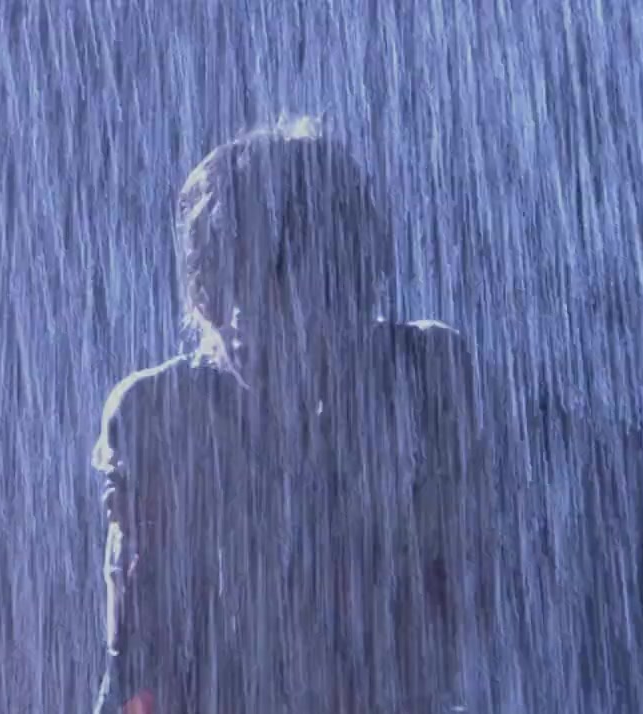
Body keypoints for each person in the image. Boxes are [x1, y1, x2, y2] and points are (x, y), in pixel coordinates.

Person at [92, 116, 492, 713]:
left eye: (329, 284)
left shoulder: (425, 379)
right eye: (272, 283)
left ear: (364, 281)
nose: (305, 319)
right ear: (210, 295)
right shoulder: (158, 418)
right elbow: (133, 656)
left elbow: (467, 605)